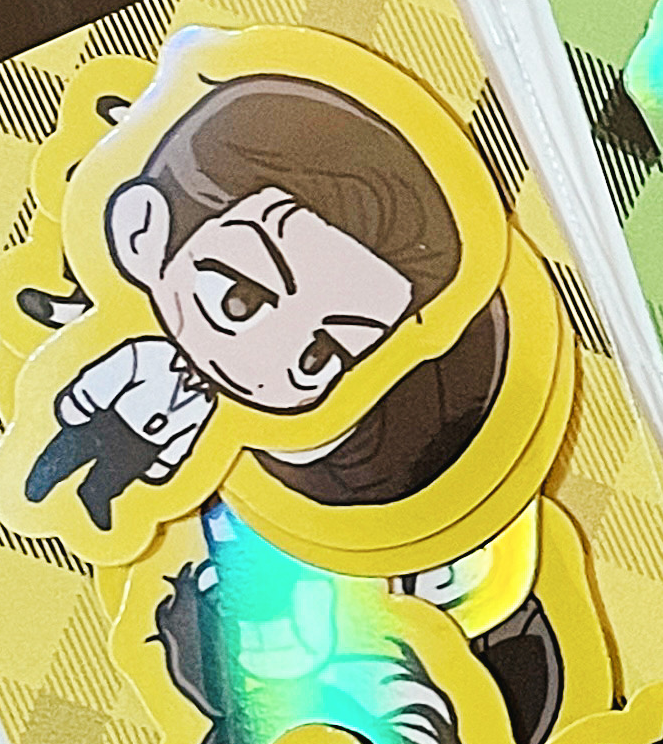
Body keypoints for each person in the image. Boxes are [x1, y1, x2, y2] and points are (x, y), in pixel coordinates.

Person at [23, 68, 465, 530]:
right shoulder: (142, 354)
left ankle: (99, 496)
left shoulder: (218, 417)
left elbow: (186, 441)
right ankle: (44, 477)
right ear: (142, 234)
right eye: (239, 300)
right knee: (70, 449)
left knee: (112, 479)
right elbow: (105, 377)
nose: (262, 364)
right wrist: (75, 407)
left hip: (146, 454)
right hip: (105, 419)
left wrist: (161, 469)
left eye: (319, 355)